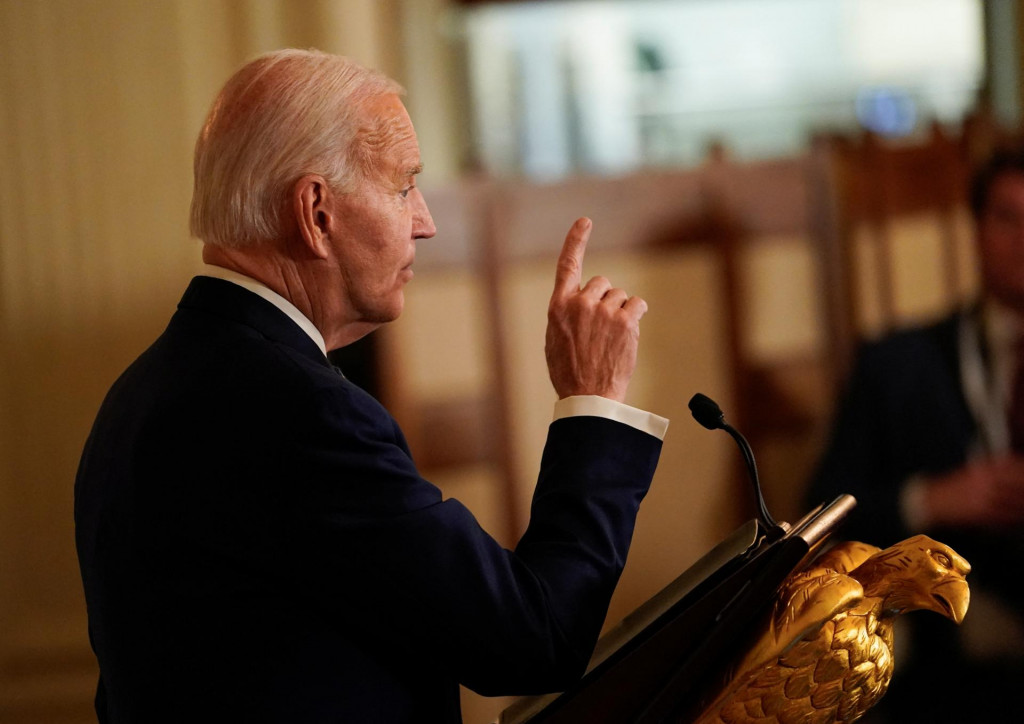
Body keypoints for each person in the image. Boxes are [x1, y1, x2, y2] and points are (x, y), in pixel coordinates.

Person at [74, 49, 668, 723]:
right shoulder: (301, 415)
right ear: (316, 213)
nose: (425, 220)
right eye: (403, 185)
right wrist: (592, 400)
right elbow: (534, 640)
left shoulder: (138, 393)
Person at [806, 147, 1024, 722]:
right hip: (951, 658)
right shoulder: (897, 366)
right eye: (1008, 218)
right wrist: (931, 498)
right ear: (976, 229)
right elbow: (822, 511)